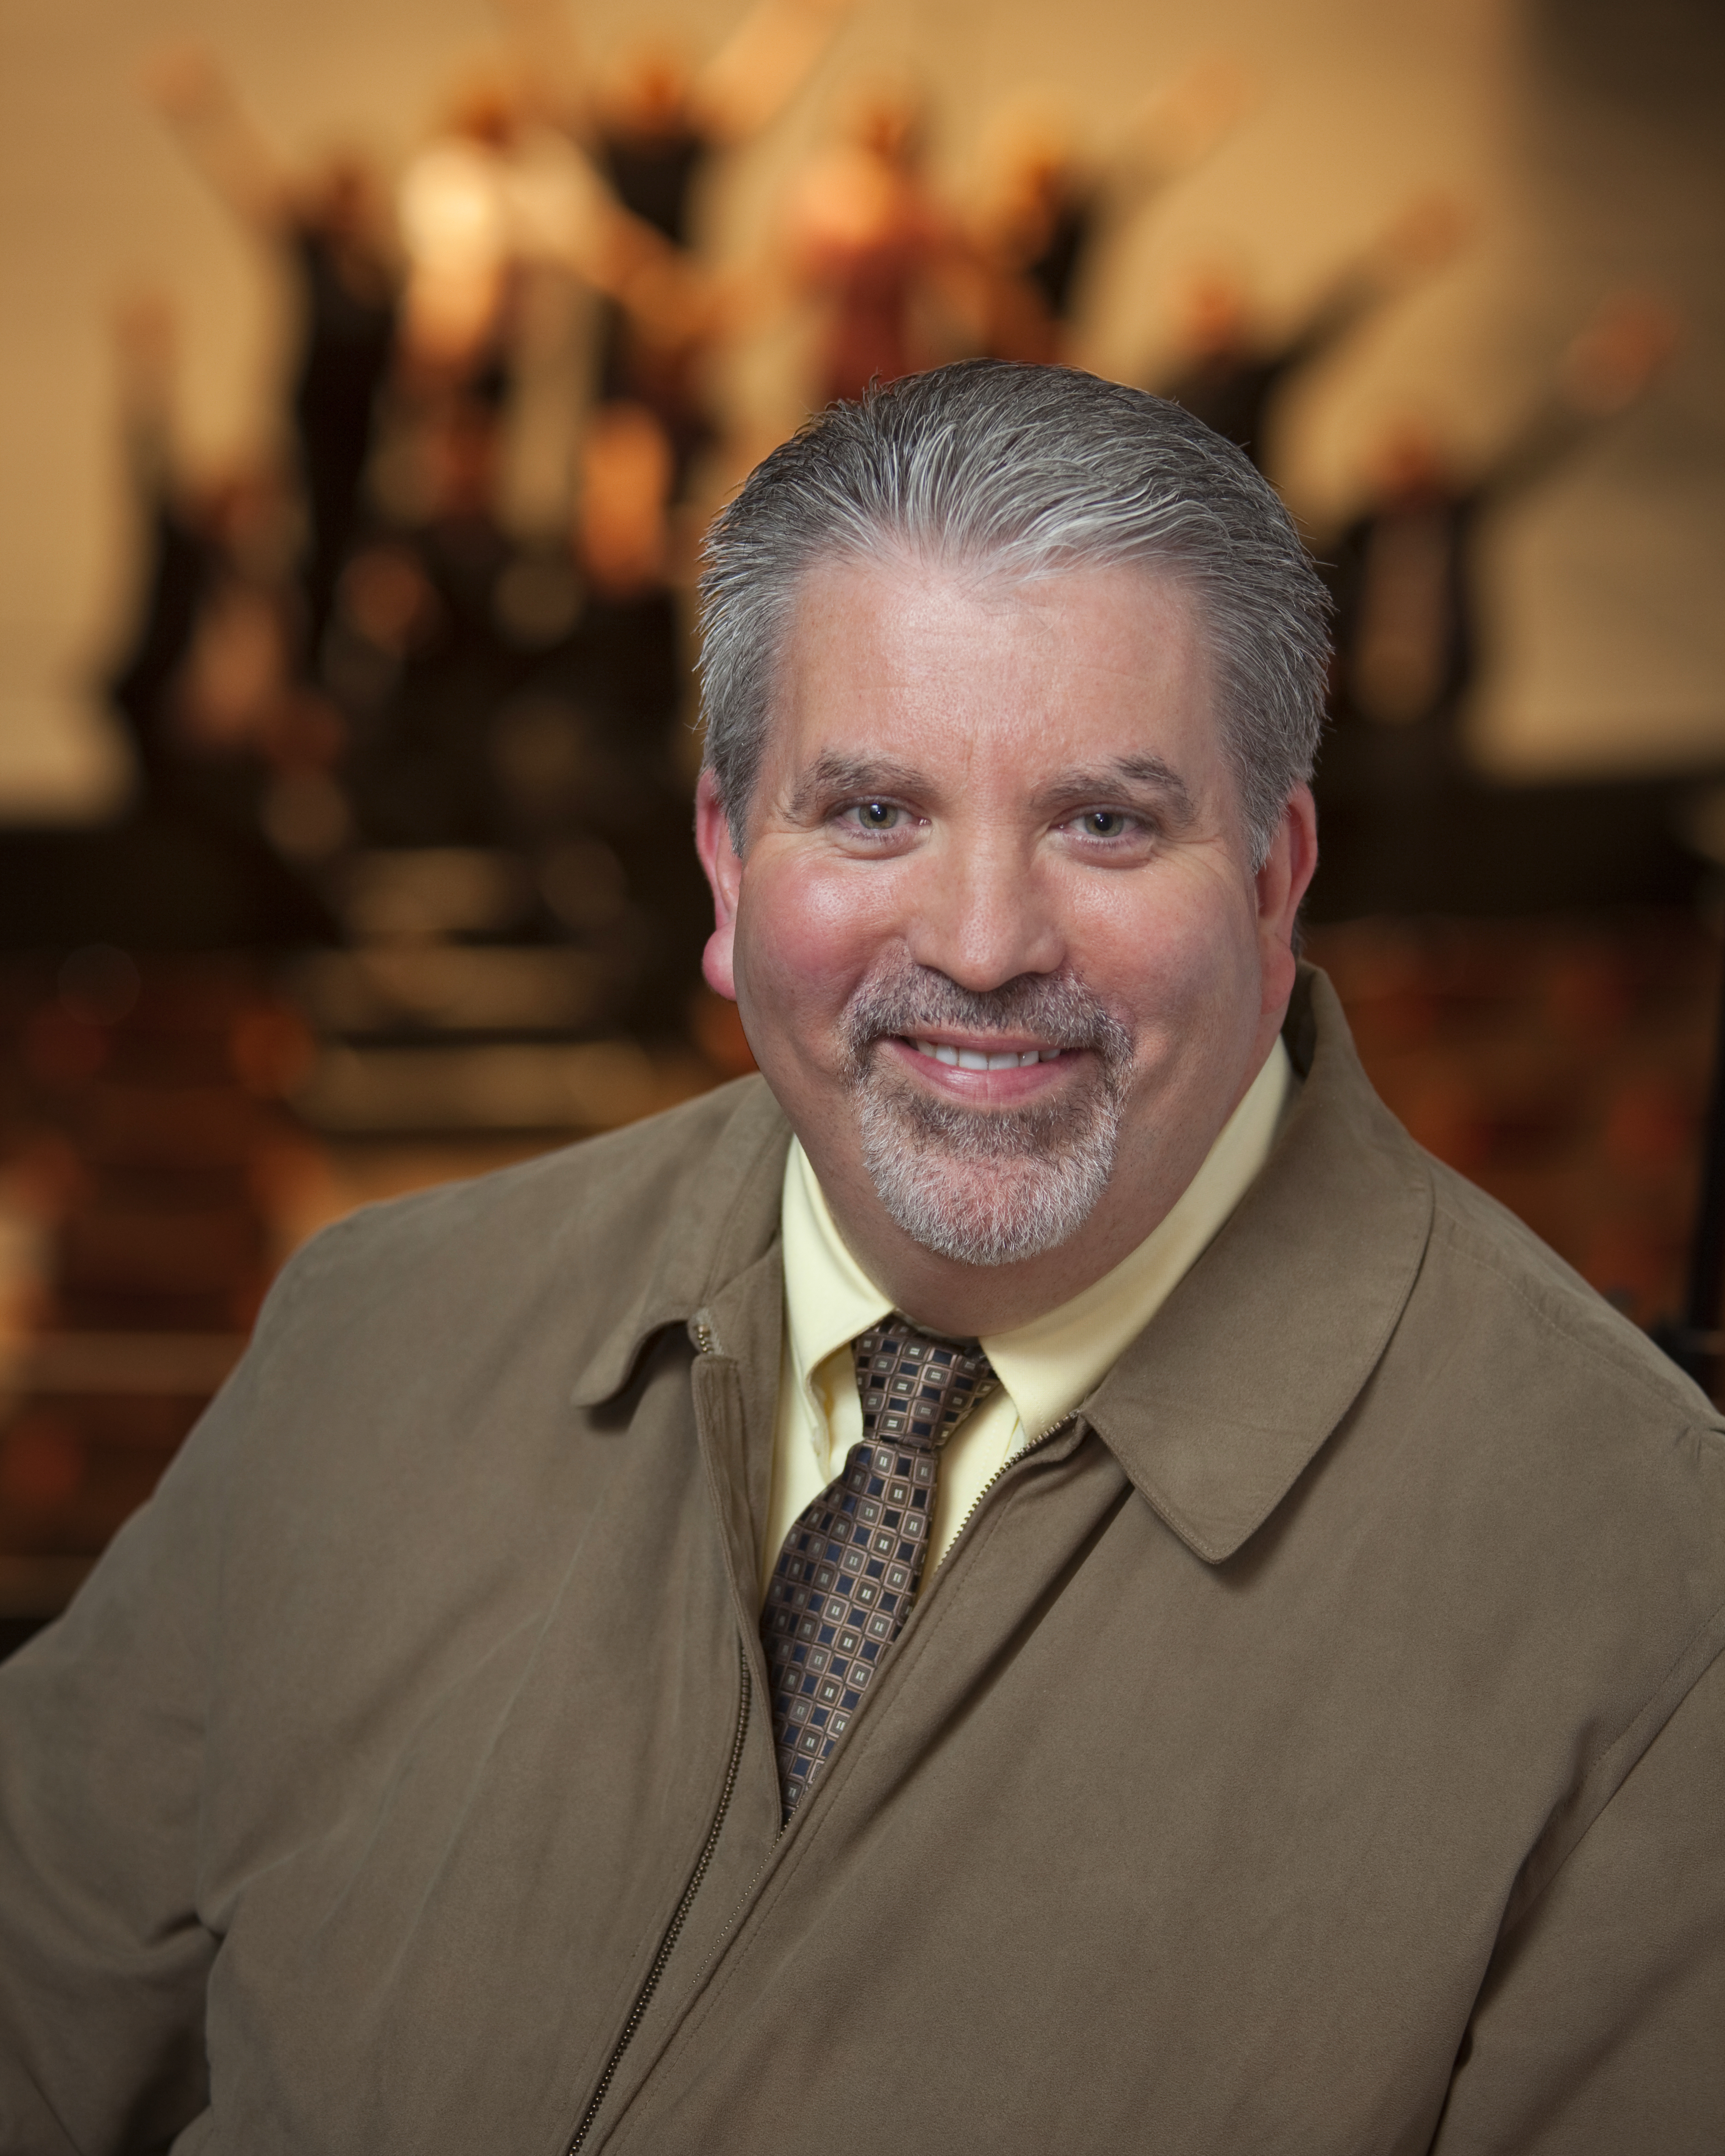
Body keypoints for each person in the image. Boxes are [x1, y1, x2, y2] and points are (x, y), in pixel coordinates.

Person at [1, 363, 1721, 2155]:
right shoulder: (376, 1335)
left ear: (1277, 885)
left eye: (1106, 821)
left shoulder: (1652, 1606)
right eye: (876, 813)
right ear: (729, 872)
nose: (982, 946)